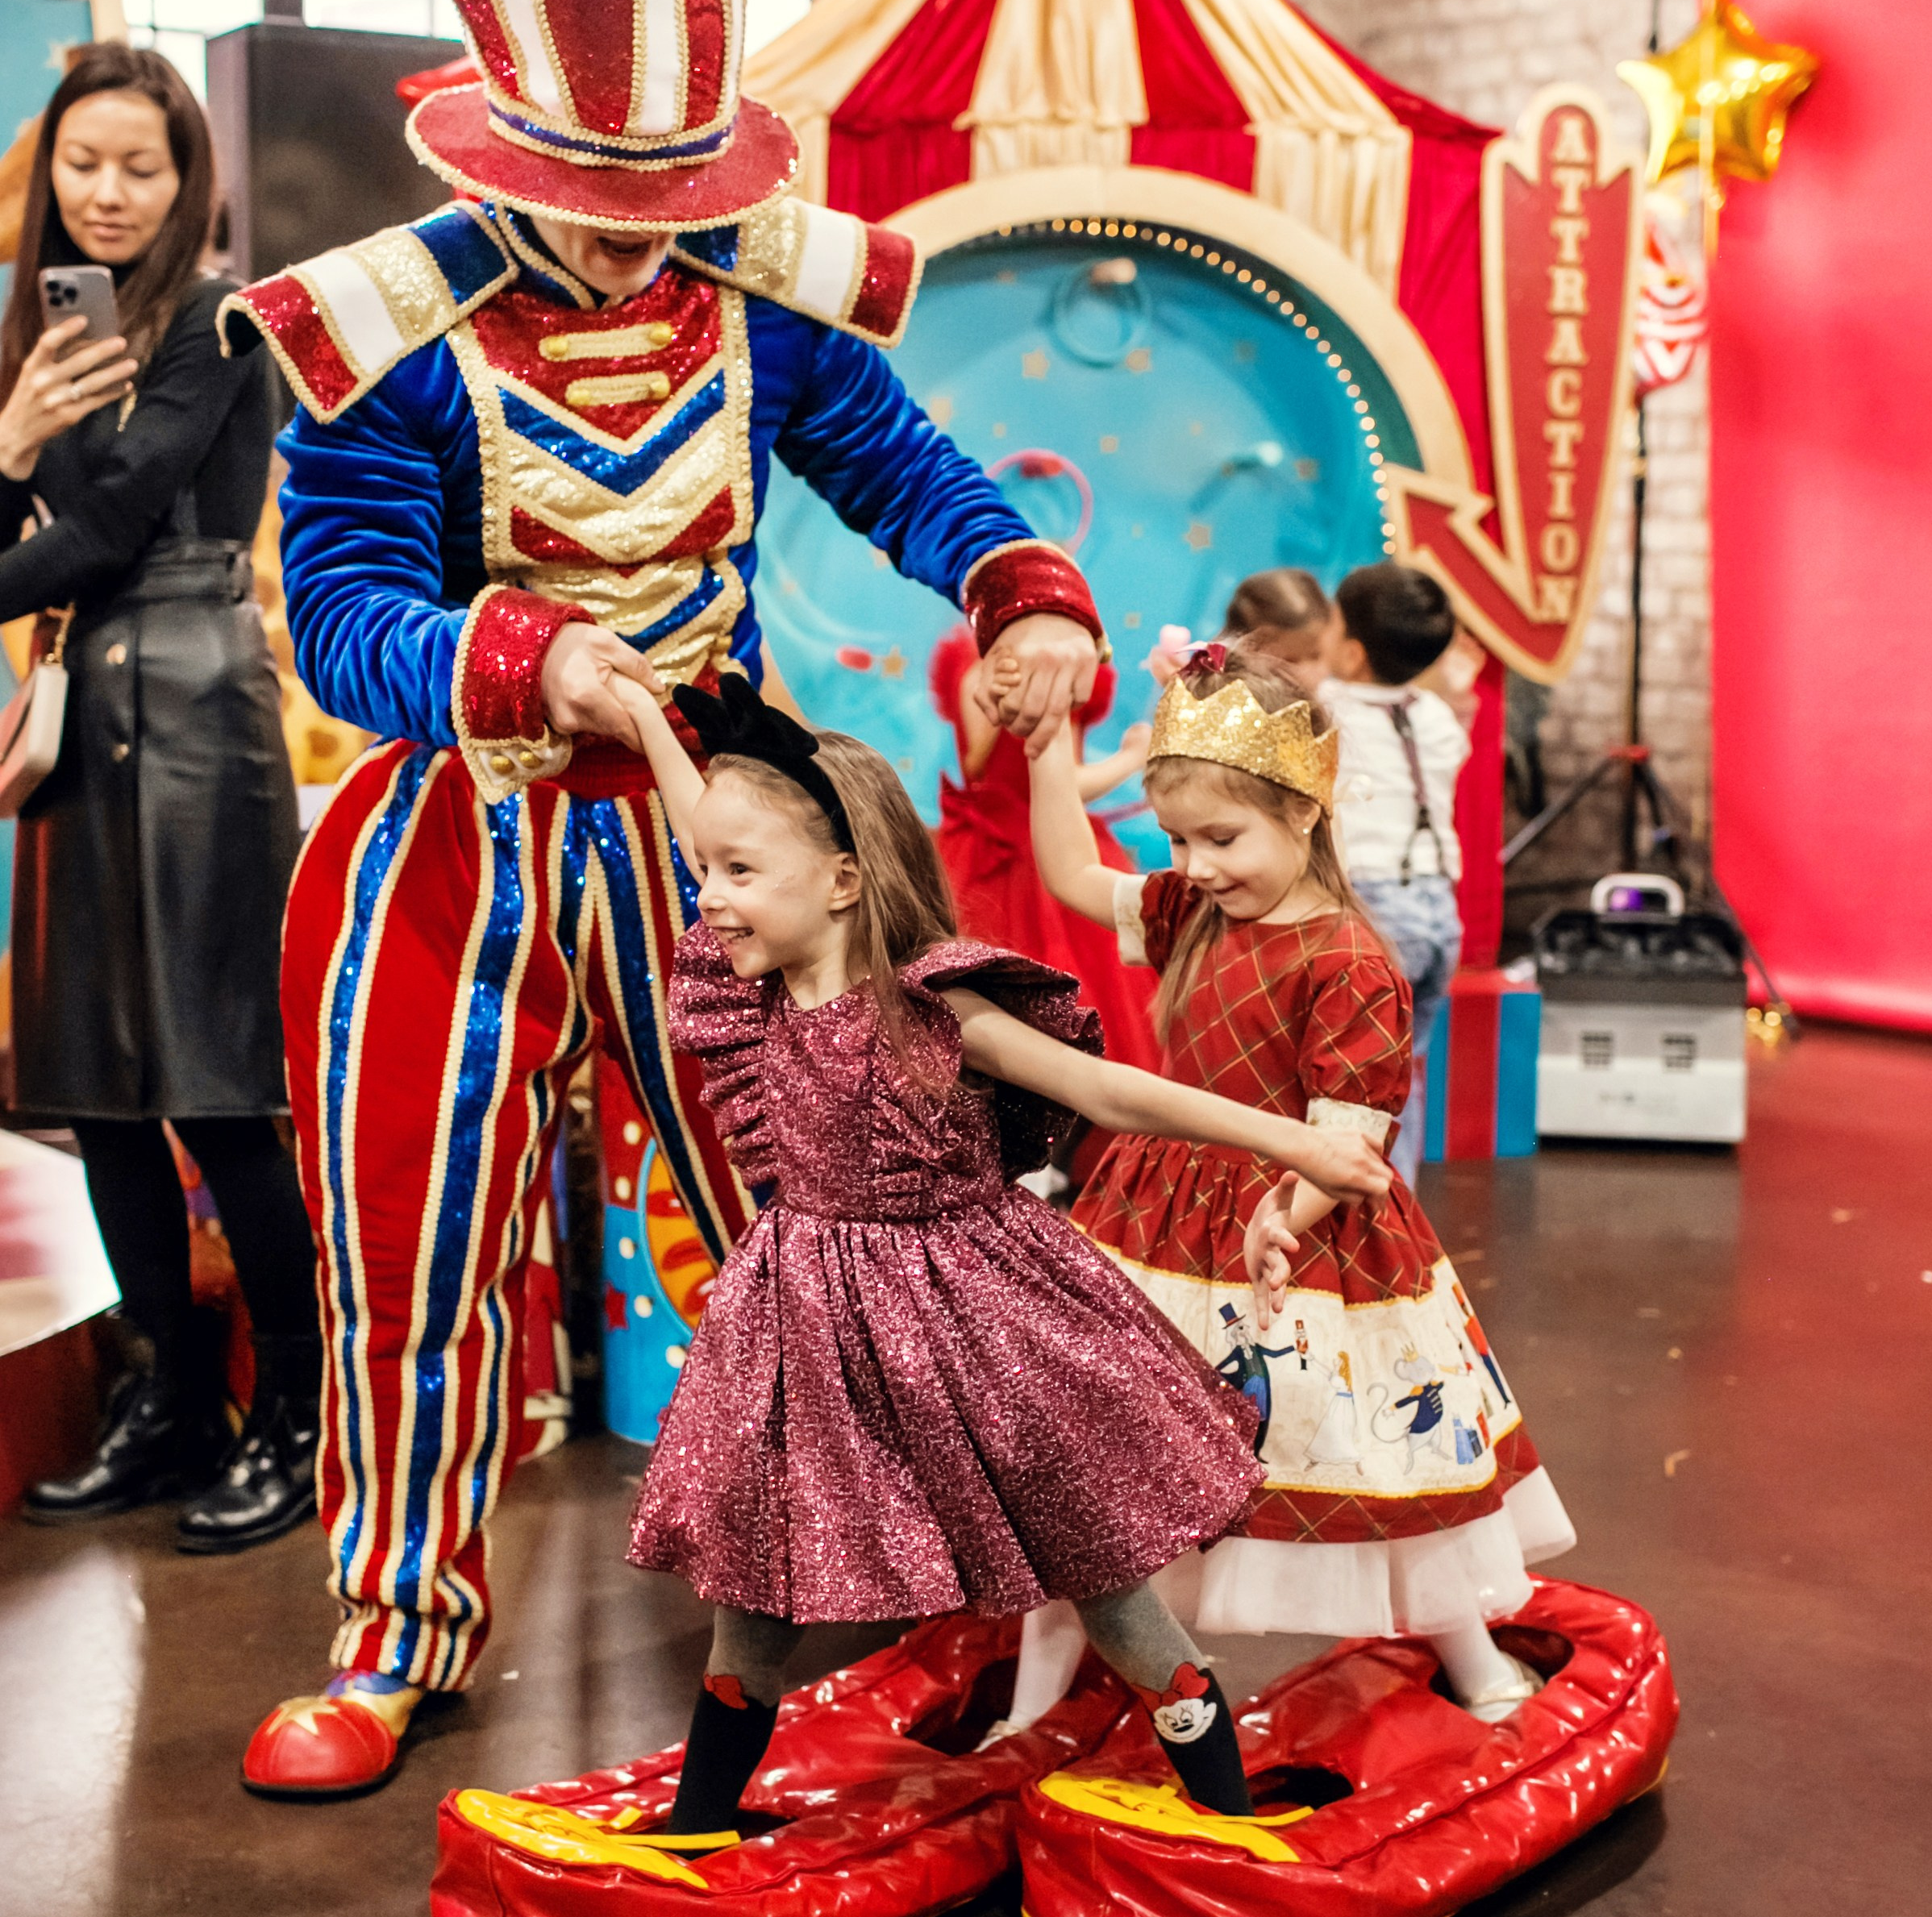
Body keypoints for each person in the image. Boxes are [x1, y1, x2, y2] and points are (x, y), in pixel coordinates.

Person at [227, 0, 1110, 1802]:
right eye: (596, 195)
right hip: (449, 849)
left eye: (664, 196)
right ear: (502, 157)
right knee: (409, 1234)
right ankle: (394, 1623)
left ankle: (869, 1565)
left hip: (724, 844)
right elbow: (347, 621)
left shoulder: (761, 315)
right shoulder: (382, 339)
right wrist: (528, 659)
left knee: (828, 1214)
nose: (634, 236)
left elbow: (911, 468)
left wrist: (1019, 592)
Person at [609, 670, 1391, 1835]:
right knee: (758, 1583)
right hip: (804, 1329)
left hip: (967, 1317)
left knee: (1099, 1569)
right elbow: (711, 826)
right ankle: (698, 1824)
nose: (709, 899)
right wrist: (640, 724)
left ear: (841, 878)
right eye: (706, 870)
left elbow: (1104, 1087)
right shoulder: (753, 989)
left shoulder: (933, 1010)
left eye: (736, 874)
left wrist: (1299, 1143)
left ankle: (1225, 1813)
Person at [1017, 640, 1574, 1724]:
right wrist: (1051, 750)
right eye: (1178, 837)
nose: (1198, 862)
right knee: (1100, 1465)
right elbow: (1070, 875)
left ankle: (1469, 1655)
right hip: (1153, 1223)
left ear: (1305, 812)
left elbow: (1349, 1131)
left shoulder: (1346, 959)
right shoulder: (1189, 913)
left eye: (1221, 836)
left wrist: (1284, 1215)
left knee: (1365, 1455)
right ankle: (1032, 1710)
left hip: (1305, 1238)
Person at [4, 44, 321, 1553]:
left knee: (214, 1085)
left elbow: (121, 513)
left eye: (140, 165)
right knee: (96, 1093)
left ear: (186, 175)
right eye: (85, 164)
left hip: (197, 691)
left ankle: (297, 1418)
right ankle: (172, 1402)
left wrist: (16, 470)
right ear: (48, 171)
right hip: (80, 700)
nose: (110, 193)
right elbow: (35, 512)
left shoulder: (216, 318)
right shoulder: (36, 331)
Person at [929, 626, 1156, 1070]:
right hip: (1042, 847)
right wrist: (1132, 757)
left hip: (976, 852)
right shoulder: (1048, 674)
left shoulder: (974, 666)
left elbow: (978, 768)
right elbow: (1060, 784)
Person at [1318, 559, 1479, 1177]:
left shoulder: (1328, 709)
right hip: (1439, 912)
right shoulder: (1435, 718)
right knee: (1404, 1078)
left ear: (1354, 654)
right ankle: (1399, 1210)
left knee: (1358, 1089)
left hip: (1378, 911)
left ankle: (1368, 1217)